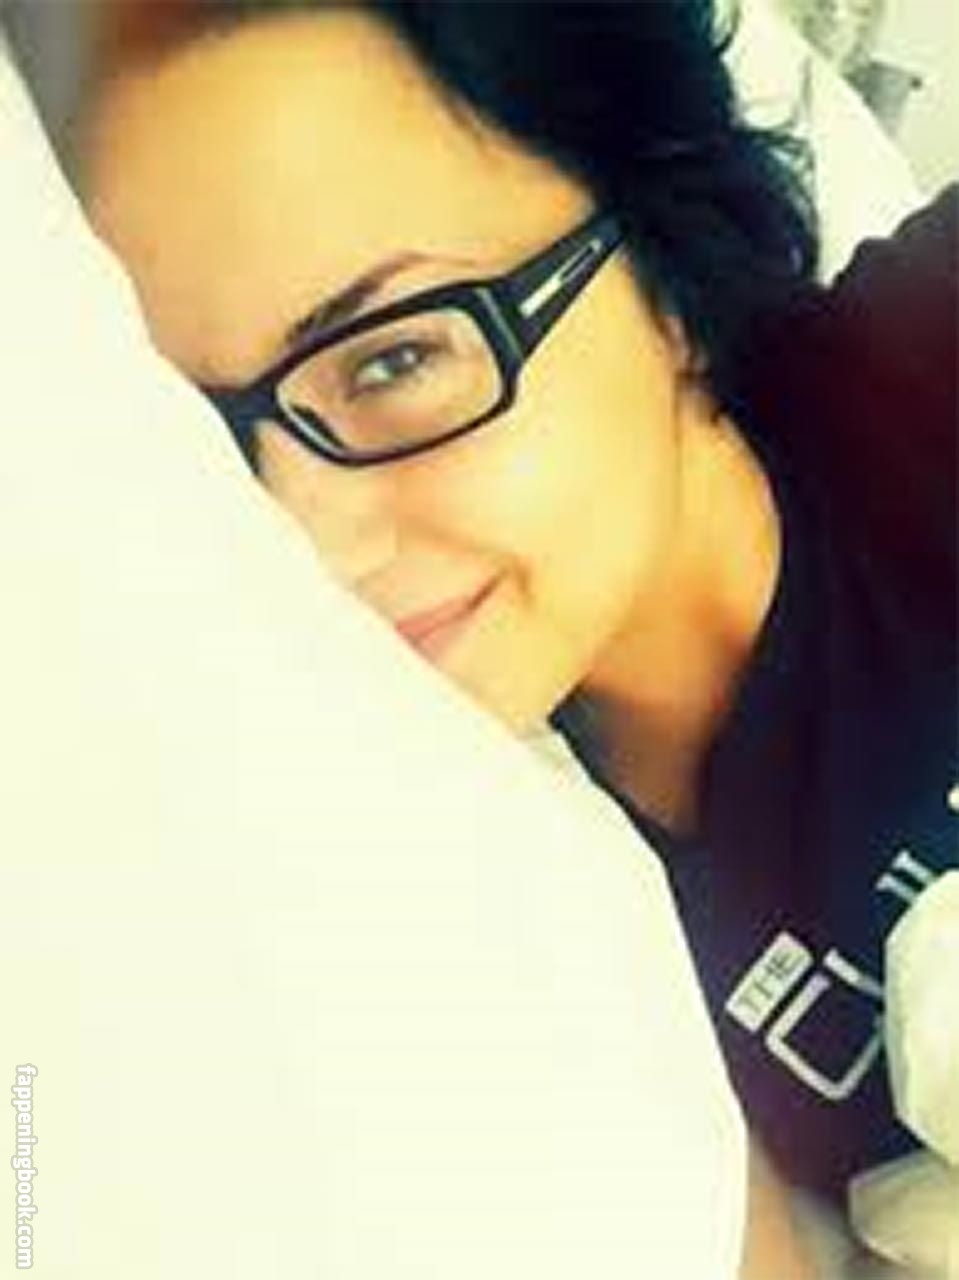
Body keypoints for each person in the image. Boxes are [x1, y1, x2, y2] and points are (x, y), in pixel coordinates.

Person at [82, 0, 957, 1242]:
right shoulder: (471, 903)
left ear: (659, 262)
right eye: (222, 442)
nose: (310, 543)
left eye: (392, 359)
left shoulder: (924, 367)